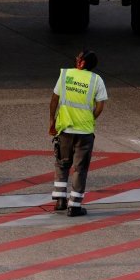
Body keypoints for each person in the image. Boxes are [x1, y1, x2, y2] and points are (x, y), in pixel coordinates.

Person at [48, 50, 107, 217]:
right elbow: (100, 105)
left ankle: (60, 201)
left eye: (78, 57)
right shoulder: (97, 80)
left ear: (81, 63)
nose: (76, 58)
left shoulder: (66, 75)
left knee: (62, 163)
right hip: (84, 132)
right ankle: (74, 207)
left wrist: (52, 121)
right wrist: (90, 118)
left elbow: (54, 99)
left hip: (65, 129)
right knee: (80, 169)